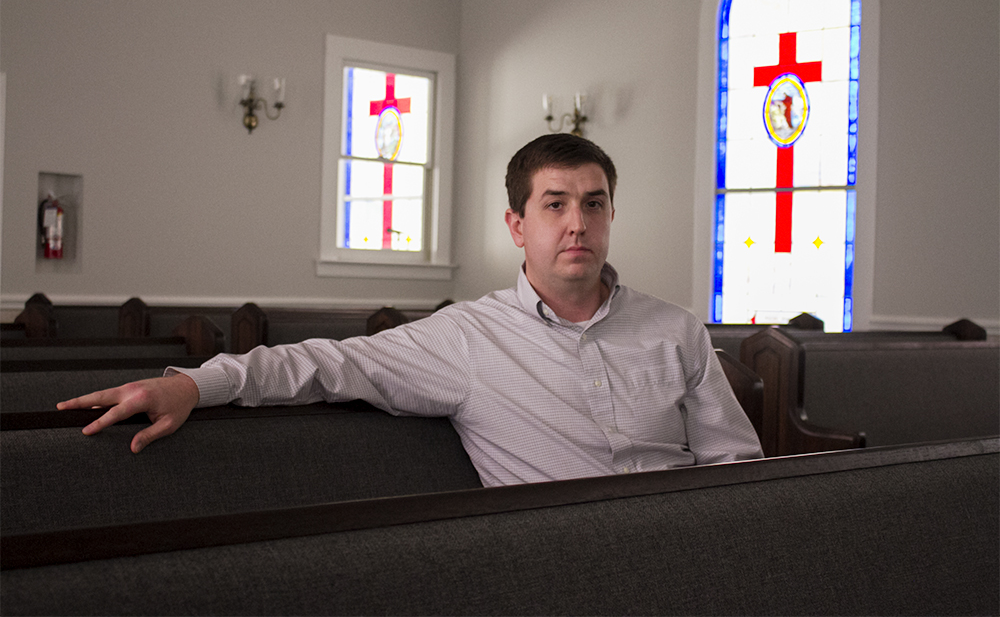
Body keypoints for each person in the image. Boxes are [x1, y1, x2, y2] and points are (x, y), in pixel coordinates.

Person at [58, 134, 762, 486]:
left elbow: (737, 469)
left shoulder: (676, 330)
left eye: (594, 203)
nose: (576, 223)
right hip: (557, 569)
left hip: (684, 554)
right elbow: (325, 364)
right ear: (517, 224)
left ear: (610, 214)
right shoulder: (466, 340)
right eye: (555, 205)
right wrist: (192, 383)